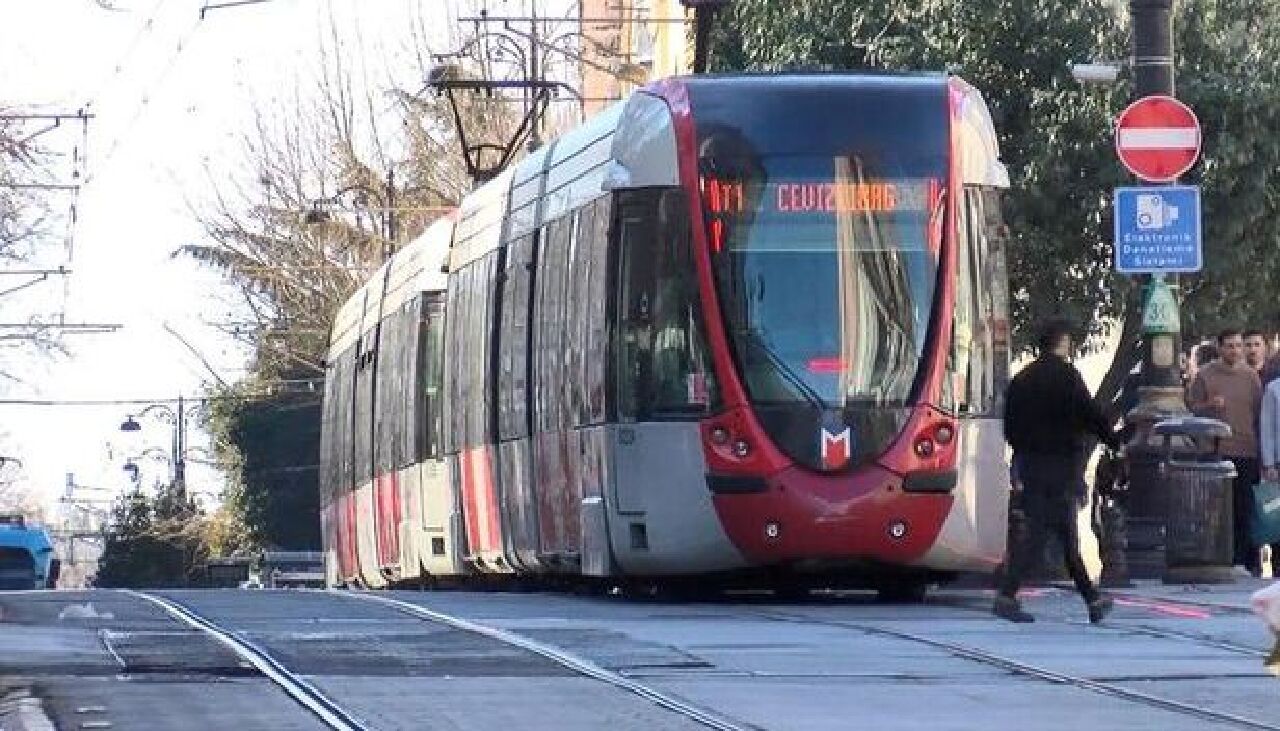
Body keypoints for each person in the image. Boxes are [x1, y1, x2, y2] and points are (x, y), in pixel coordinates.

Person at [994, 317, 1120, 624]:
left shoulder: (1022, 379)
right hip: (1061, 465)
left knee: (1055, 532)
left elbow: (1010, 426)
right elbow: (1090, 414)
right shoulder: (1067, 377)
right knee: (1050, 533)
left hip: (1032, 464)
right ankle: (1010, 596)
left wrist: (1024, 450)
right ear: (1062, 343)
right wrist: (1114, 441)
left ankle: (1092, 599)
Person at [1188, 328, 1264, 574]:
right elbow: (1191, 409)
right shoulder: (1206, 375)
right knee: (1219, 509)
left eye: (1238, 346)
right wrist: (1210, 405)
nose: (1236, 351)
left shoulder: (1251, 377)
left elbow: (1258, 413)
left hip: (1246, 450)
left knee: (1245, 508)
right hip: (1216, 450)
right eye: (1230, 346)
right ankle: (1221, 560)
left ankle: (1245, 561)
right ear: (1219, 348)